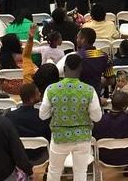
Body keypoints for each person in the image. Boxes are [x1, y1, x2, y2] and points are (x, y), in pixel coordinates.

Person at [39, 53, 102, 181]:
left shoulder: (51, 89)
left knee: (54, 171)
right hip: (82, 138)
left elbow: (42, 115)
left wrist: (55, 110)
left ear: (64, 68)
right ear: (81, 69)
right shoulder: (89, 90)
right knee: (80, 173)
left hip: (59, 137)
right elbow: (97, 117)